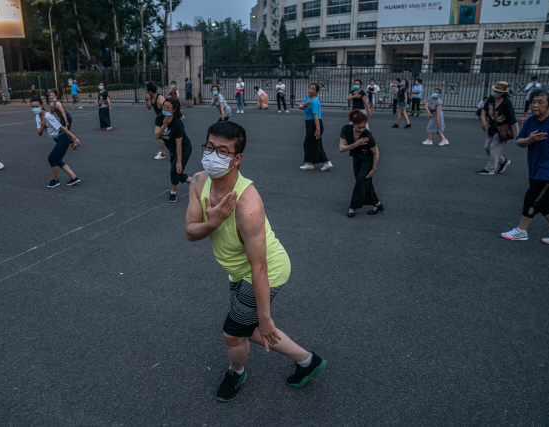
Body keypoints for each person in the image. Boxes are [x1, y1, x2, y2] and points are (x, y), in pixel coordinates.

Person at [184, 121, 327, 402]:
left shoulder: (248, 204)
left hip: (267, 270)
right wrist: (212, 222)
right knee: (245, 327)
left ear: (237, 158)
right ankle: (308, 361)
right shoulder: (199, 182)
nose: (213, 155)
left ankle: (236, 372)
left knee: (233, 331)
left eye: (222, 151)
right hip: (238, 270)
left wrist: (266, 317)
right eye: (210, 147)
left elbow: (260, 267)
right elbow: (190, 231)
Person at [501, 89, 549, 245]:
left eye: (540, 102)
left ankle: (521, 231)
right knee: (544, 203)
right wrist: (530, 139)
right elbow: (519, 142)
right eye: (533, 102)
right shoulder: (531, 120)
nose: (535, 105)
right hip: (535, 168)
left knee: (532, 199)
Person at [338, 109, 382, 218]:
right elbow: (341, 149)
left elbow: (376, 153)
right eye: (359, 127)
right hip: (356, 158)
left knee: (360, 181)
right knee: (365, 182)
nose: (361, 130)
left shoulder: (367, 135)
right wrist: (356, 144)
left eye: (363, 127)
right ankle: (377, 204)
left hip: (368, 159)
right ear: (353, 124)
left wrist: (373, 169)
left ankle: (352, 207)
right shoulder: (346, 129)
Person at [31, 96, 81, 188]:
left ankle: (55, 180)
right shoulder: (37, 117)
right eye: (33, 107)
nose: (35, 109)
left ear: (41, 105)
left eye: (36, 106)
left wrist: (74, 138)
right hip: (58, 139)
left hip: (63, 138)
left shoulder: (48, 116)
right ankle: (74, 177)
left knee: (51, 158)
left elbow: (61, 127)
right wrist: (42, 126)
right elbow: (39, 133)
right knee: (57, 160)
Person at [154, 98, 193, 203]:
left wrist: (179, 162)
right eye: (164, 106)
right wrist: (164, 126)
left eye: (168, 107)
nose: (165, 108)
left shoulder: (178, 123)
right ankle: (197, 184)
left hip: (184, 148)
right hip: (172, 149)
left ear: (174, 110)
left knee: (175, 170)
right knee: (178, 173)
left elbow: (179, 144)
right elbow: (157, 136)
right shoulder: (159, 118)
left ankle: (173, 193)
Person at [478, 81, 519, 175]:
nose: (495, 92)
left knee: (494, 149)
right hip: (492, 127)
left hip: (502, 129)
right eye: (495, 90)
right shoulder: (492, 98)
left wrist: (517, 132)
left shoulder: (506, 103)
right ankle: (502, 161)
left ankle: (490, 169)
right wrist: (484, 121)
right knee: (487, 147)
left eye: (497, 91)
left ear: (502, 93)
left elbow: (513, 119)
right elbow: (484, 109)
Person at [299, 83, 332, 171]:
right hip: (309, 123)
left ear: (316, 92)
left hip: (315, 123)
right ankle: (326, 162)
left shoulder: (314, 101)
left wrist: (318, 129)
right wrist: (304, 105)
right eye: (309, 88)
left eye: (312, 89)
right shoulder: (307, 98)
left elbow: (316, 116)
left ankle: (310, 163)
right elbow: (301, 106)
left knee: (308, 143)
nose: (310, 90)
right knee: (316, 143)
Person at [146, 82, 167, 160]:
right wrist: (147, 98)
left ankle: (162, 153)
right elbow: (149, 107)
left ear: (150, 91)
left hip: (165, 119)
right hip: (159, 119)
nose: (146, 92)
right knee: (160, 135)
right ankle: (162, 152)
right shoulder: (151, 98)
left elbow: (167, 109)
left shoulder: (160, 99)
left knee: (161, 135)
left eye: (147, 90)